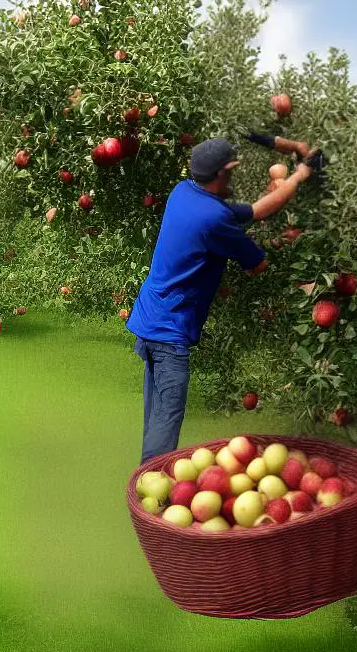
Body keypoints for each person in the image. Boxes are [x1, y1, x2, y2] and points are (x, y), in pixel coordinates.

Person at [126, 136, 316, 463]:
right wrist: (297, 179)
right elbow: (258, 265)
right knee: (166, 422)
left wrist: (295, 178)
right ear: (223, 173)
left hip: (148, 321)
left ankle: (147, 485)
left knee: (155, 414)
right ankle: (152, 498)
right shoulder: (214, 219)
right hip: (170, 334)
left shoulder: (183, 192)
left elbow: (254, 211)